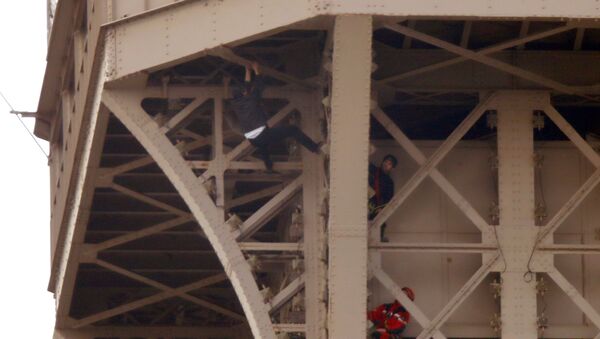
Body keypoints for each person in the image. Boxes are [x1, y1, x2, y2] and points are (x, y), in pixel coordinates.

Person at [225, 62, 321, 171]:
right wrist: (256, 70)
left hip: (252, 139)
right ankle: (315, 148)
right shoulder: (251, 100)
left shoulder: (236, 104)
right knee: (293, 130)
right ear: (244, 94)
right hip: (261, 134)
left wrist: (248, 70)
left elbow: (247, 88)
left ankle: (268, 165)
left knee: (263, 145)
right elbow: (259, 85)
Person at [368, 154, 397, 242]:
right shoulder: (374, 170)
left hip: (377, 207)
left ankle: (378, 239)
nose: (386, 164)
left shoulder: (389, 182)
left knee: (379, 224)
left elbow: (389, 199)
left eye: (389, 164)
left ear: (392, 168)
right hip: (367, 203)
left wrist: (381, 209)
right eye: (385, 162)